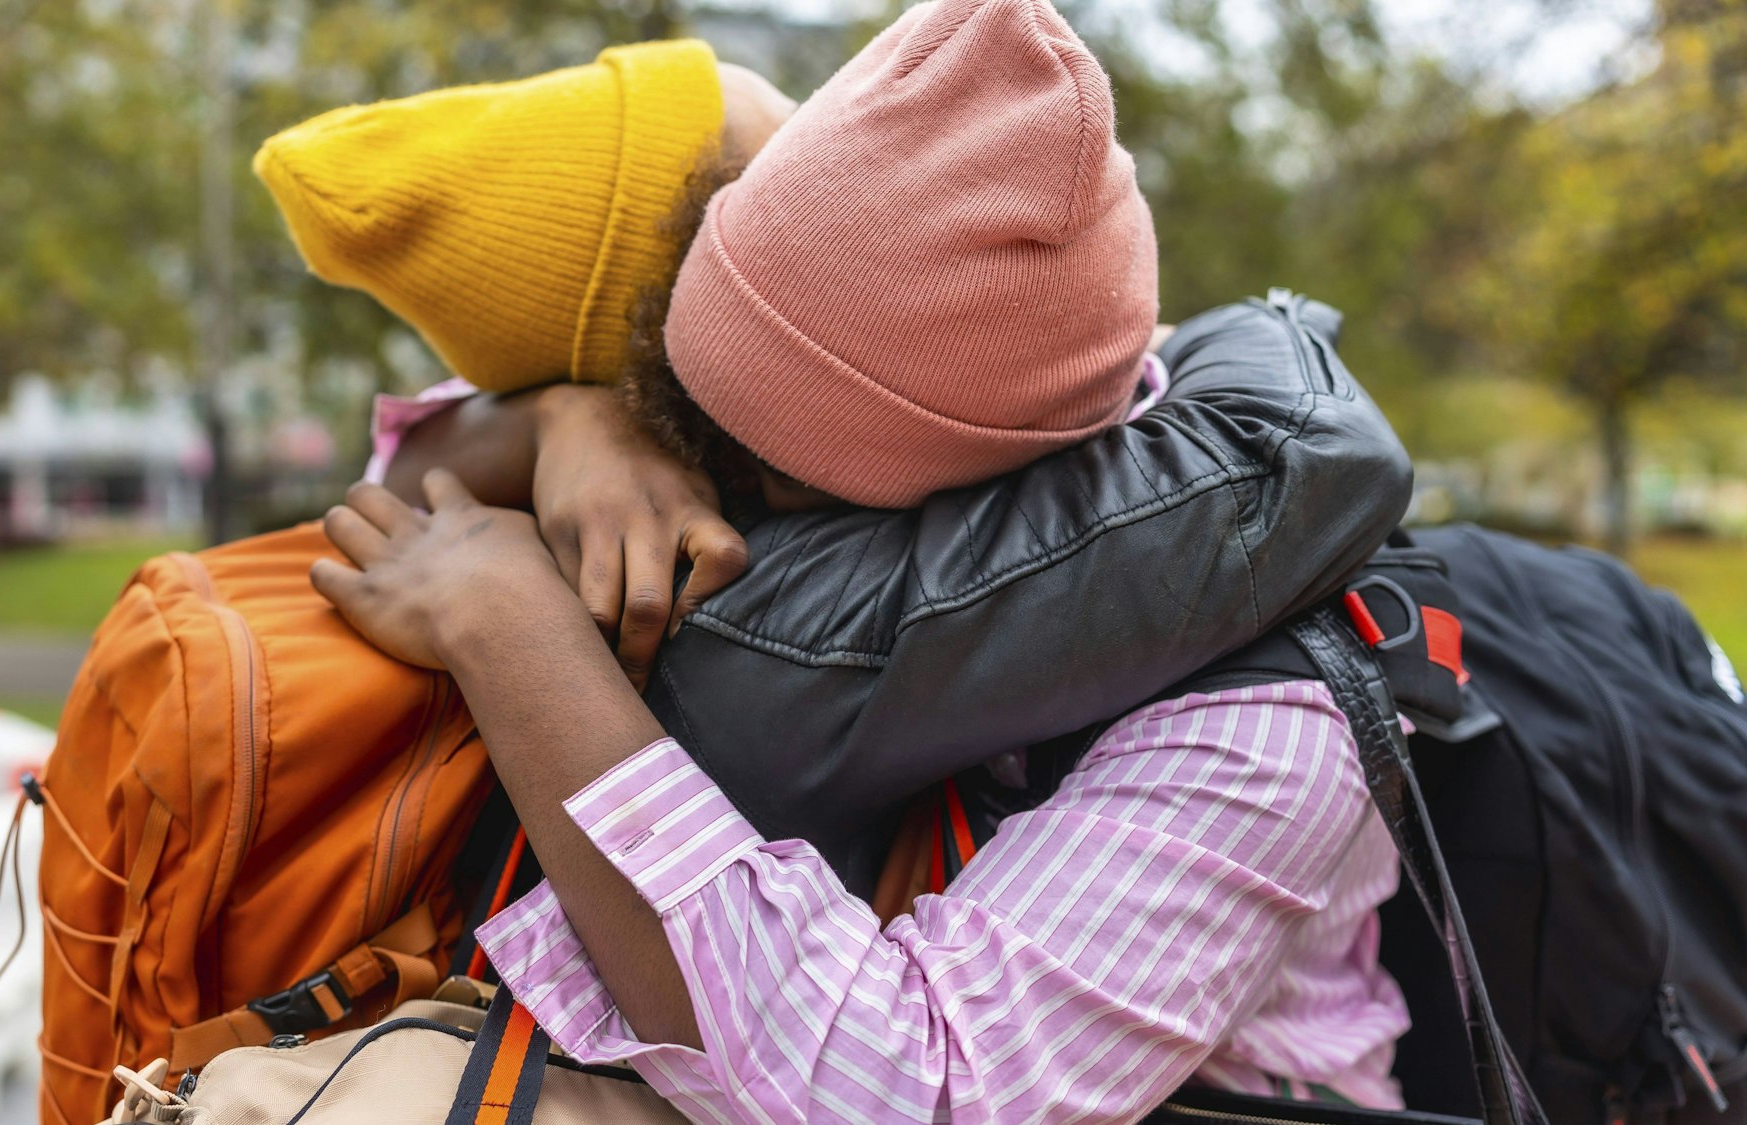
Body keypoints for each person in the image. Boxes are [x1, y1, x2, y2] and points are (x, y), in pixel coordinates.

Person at [309, 0, 1412, 1120]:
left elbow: (911, 1087)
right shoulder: (970, 402)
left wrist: (514, 632)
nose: (725, 507)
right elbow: (388, 475)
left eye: (771, 479)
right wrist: (560, 426)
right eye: (687, 429)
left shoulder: (1264, 720)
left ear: (986, 487)